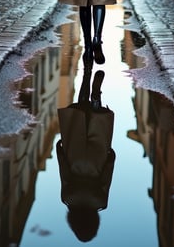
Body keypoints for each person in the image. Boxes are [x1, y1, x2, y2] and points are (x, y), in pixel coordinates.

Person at [56, 69, 115, 242]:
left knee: (97, 124)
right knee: (78, 115)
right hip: (75, 157)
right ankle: (87, 75)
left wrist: (111, 157)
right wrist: (60, 150)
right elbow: (64, 173)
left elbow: (106, 177)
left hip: (96, 162)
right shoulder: (67, 199)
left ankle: (96, 100)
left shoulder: (100, 203)